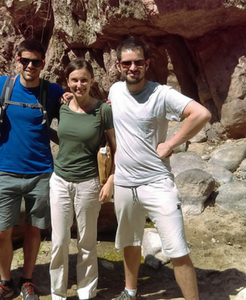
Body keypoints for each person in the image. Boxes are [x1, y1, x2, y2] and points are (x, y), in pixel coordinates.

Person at [107, 36, 208, 300]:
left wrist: (172, 142)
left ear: (147, 64)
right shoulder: (115, 92)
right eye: (127, 63)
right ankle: (130, 292)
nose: (132, 68)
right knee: (130, 242)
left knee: (177, 248)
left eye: (138, 62)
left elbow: (201, 114)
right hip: (125, 184)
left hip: (157, 183)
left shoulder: (161, 93)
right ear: (118, 65)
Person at [0, 40, 64, 300]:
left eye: (36, 62)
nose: (30, 66)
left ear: (43, 63)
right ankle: (5, 281)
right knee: (0, 231)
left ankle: (27, 280)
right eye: (25, 61)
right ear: (17, 60)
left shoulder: (52, 92)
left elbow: (78, 111)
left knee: (34, 228)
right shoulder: (2, 86)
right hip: (6, 169)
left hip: (41, 172)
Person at [47, 59, 116, 300]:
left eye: (84, 79)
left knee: (86, 242)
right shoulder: (62, 106)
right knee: (59, 241)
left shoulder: (102, 110)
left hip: (89, 183)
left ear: (92, 81)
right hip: (60, 181)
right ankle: (58, 293)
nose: (79, 84)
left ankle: (86, 293)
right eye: (74, 80)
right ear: (67, 82)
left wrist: (110, 181)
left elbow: (115, 148)